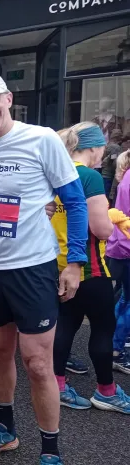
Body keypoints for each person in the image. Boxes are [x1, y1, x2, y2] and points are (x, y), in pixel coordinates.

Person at [0, 73, 88, 465]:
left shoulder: (42, 138)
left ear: (8, 99)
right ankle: (6, 430)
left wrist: (75, 262)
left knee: (38, 363)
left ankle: (50, 450)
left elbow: (74, 200)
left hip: (33, 268)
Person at [51, 123, 130, 414]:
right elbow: (101, 229)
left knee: (65, 326)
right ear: (94, 147)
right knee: (102, 329)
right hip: (90, 267)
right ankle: (106, 392)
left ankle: (58, 385)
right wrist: (113, 218)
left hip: (58, 265)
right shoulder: (88, 176)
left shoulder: (55, 172)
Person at [107, 150, 130, 375]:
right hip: (126, 248)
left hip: (121, 247)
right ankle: (116, 349)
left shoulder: (126, 179)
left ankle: (114, 346)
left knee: (124, 299)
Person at [102, 130, 123, 200]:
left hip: (104, 172)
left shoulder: (108, 144)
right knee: (107, 196)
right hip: (109, 174)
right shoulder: (116, 147)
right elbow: (113, 158)